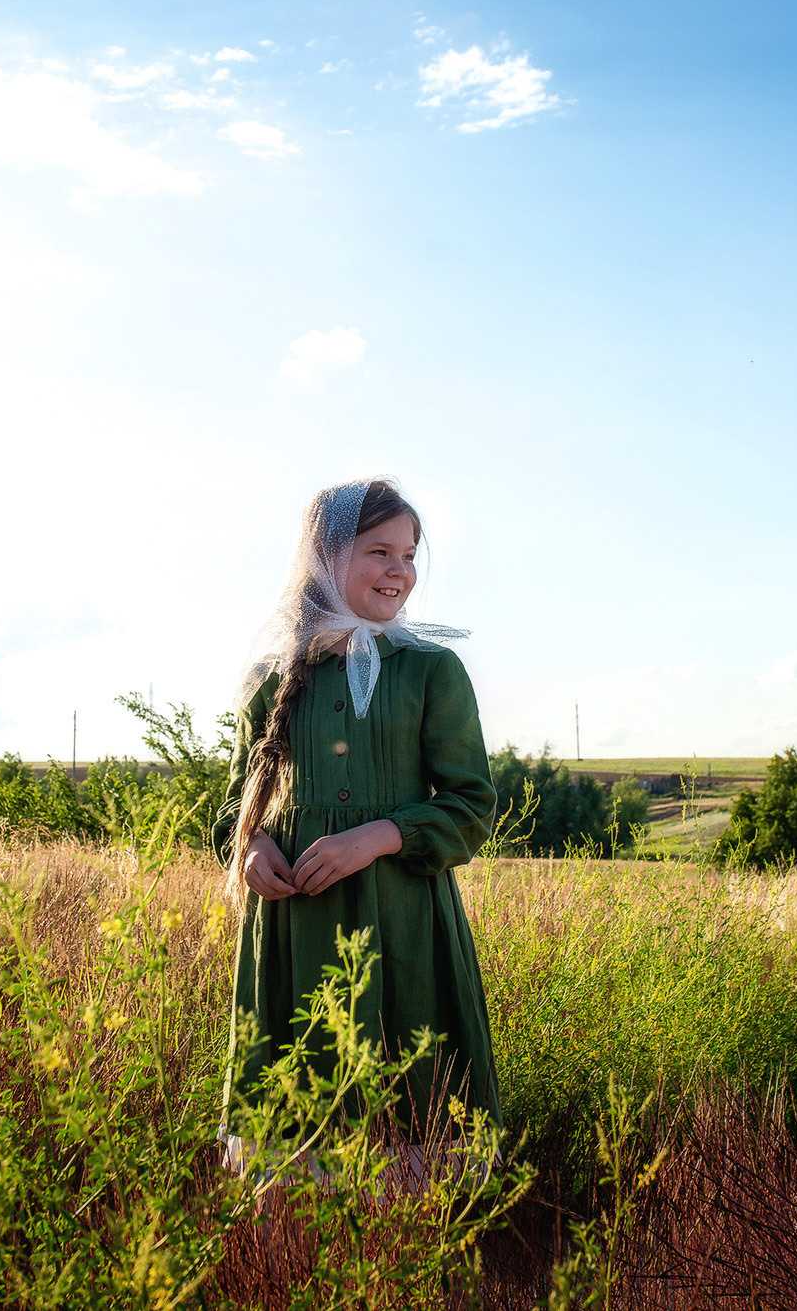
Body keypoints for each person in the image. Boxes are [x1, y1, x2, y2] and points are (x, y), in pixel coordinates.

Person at [214, 477, 501, 1172]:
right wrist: (250, 848)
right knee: (300, 1105)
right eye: (379, 551)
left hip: (403, 925)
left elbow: (470, 804)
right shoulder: (273, 673)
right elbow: (230, 810)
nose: (400, 569)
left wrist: (374, 836)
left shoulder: (432, 670)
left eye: (409, 553)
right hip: (294, 930)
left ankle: (406, 1257)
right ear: (325, 555)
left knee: (411, 1109)